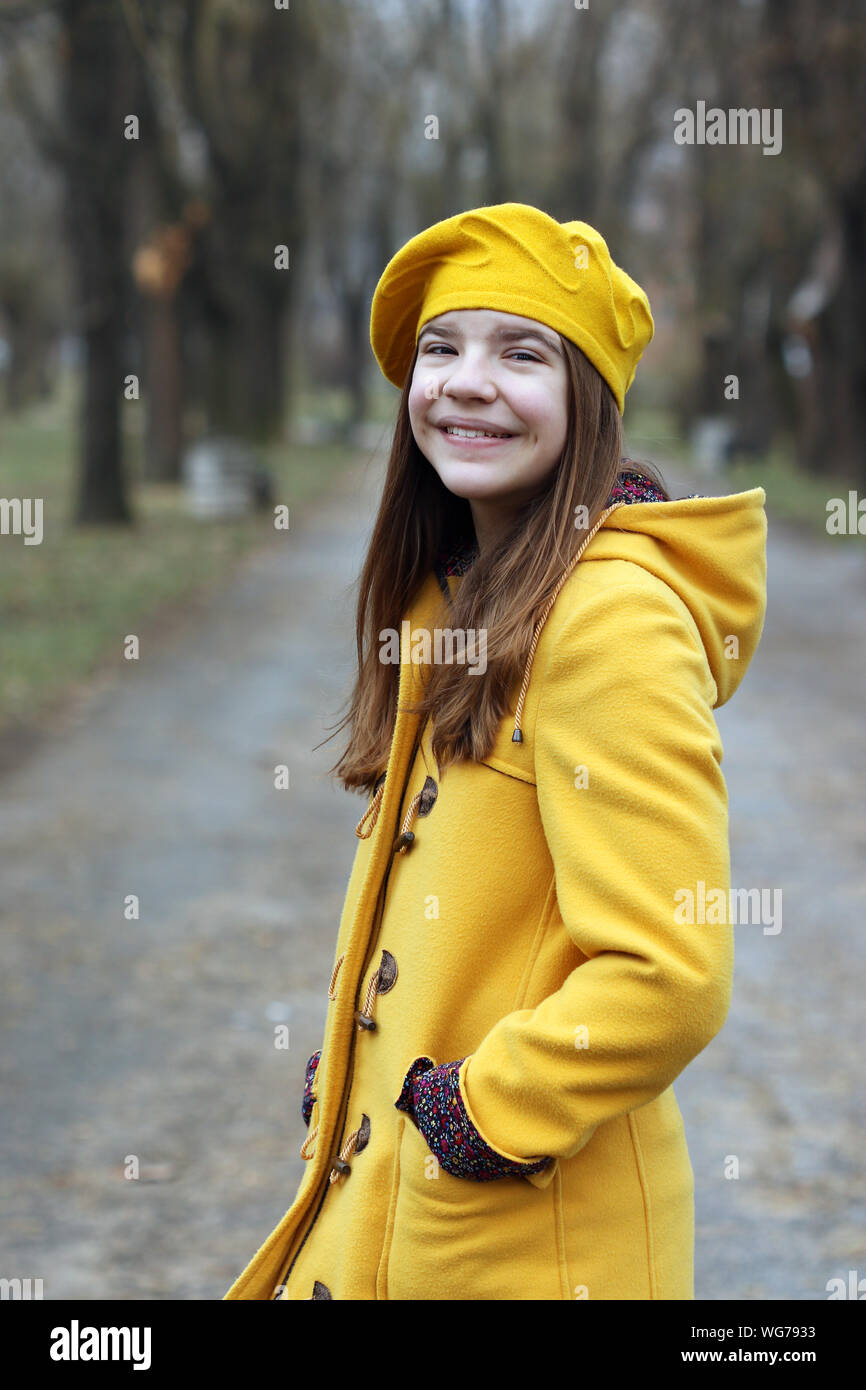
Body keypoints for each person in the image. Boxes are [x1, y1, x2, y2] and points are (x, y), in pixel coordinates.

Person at [224, 202, 767, 1301]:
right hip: (402, 1230)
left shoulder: (607, 621)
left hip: (526, 1256)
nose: (466, 382)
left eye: (520, 353)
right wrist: (364, 1071)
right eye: (440, 348)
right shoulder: (451, 591)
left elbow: (669, 974)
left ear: (587, 399)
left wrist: (465, 1115)